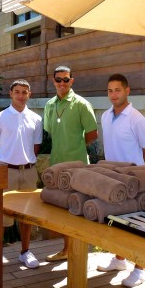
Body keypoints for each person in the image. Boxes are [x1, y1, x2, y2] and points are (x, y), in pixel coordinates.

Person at [97, 73, 145, 287]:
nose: (113, 94)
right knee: (118, 223)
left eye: (118, 90)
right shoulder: (104, 116)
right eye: (110, 90)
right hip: (113, 178)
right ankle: (120, 260)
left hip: (134, 180)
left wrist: (135, 169)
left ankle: (140, 270)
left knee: (138, 225)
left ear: (127, 91)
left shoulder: (137, 119)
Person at [44, 65, 98, 262]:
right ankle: (67, 249)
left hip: (77, 167)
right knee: (63, 210)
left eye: (66, 79)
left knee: (77, 208)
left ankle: (77, 249)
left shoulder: (82, 104)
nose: (62, 83)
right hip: (57, 164)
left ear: (71, 81)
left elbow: (93, 133)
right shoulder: (50, 105)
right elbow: (50, 131)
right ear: (53, 81)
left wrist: (77, 146)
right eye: (58, 79)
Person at [0, 79, 43, 269]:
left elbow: (36, 146)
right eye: (17, 92)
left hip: (28, 172)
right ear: (11, 94)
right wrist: (0, 167)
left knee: (27, 216)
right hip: (7, 172)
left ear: (29, 94)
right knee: (2, 216)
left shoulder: (36, 119)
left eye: (24, 92)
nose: (21, 96)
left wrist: (25, 162)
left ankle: (25, 252)